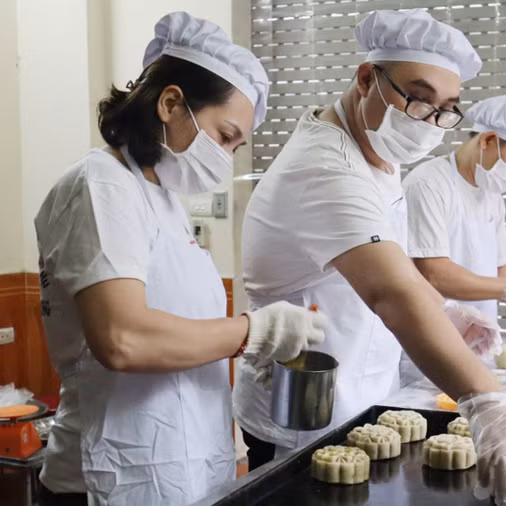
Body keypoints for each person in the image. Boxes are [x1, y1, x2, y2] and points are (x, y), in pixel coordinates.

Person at [234, 10, 506, 505]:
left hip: (360, 395)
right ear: (366, 78)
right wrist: (488, 400)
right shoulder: (328, 168)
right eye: (417, 99)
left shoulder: (378, 158)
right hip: (303, 410)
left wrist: (443, 310)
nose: (430, 122)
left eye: (446, 109)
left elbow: (390, 264)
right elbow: (389, 291)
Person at [34, 12, 326, 506]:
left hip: (183, 473)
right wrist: (253, 331)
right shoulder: (100, 185)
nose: (229, 156)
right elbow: (122, 339)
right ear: (172, 103)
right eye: (226, 134)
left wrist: (255, 351)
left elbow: (183, 334)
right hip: (110, 478)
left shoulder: (164, 202)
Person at [403, 95, 506, 325]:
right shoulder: (429, 184)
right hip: (431, 337)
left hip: (481, 336)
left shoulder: (491, 194)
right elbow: (435, 273)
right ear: (488, 140)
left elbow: (502, 266)